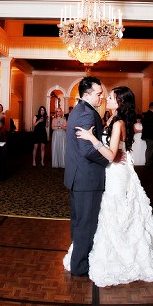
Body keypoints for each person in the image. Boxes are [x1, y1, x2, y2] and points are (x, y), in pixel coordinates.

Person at [64, 85, 153, 287]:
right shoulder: (113, 119)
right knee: (111, 212)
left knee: (118, 211)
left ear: (120, 102)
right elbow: (118, 146)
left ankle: (124, 257)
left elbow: (112, 155)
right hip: (111, 171)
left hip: (116, 172)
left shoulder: (117, 122)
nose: (107, 98)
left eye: (111, 97)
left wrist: (92, 138)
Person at [61, 76, 108, 277]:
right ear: (86, 94)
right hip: (87, 178)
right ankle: (80, 267)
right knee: (86, 225)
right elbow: (87, 150)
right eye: (98, 93)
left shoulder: (78, 111)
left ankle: (77, 260)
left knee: (79, 223)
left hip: (78, 176)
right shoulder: (86, 115)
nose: (101, 97)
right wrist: (110, 160)